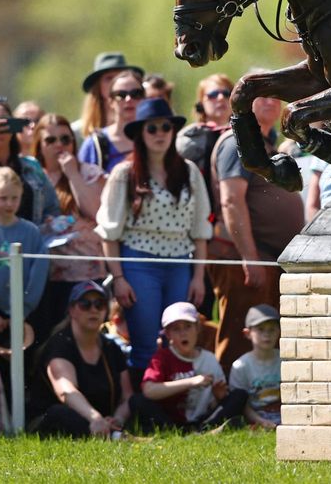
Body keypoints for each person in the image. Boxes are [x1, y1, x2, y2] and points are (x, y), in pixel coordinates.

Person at [97, 97, 211, 372]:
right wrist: (119, 279)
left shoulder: (189, 172)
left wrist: (198, 276)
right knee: (145, 341)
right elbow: (109, 233)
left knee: (179, 339)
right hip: (138, 264)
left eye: (165, 127)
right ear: (140, 134)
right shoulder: (125, 174)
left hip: (180, 264)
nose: (160, 133)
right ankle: (144, 410)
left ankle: (175, 407)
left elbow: (200, 229)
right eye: (152, 128)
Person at [210, 94, 305, 371]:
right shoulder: (237, 142)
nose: (270, 101)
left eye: (276, 96)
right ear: (242, 104)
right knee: (241, 334)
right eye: (260, 96)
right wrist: (249, 257)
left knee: (262, 336)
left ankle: (257, 402)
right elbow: (231, 200)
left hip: (266, 258)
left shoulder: (262, 144)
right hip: (248, 258)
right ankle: (229, 401)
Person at [28, 280, 134, 438]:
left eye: (100, 304)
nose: (93, 310)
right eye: (85, 304)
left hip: (100, 421)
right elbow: (66, 391)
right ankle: (114, 436)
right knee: (59, 413)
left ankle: (113, 433)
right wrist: (95, 418)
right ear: (71, 310)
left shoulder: (111, 347)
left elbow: (127, 396)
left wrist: (118, 418)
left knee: (140, 402)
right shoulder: (59, 345)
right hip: (52, 419)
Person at [32, 113, 105, 332]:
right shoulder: (32, 175)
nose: (59, 145)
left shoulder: (88, 172)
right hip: (45, 274)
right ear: (39, 145)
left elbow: (96, 212)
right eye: (50, 140)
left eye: (65, 139)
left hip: (84, 272)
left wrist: (72, 174)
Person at [129, 301, 246, 432]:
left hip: (203, 418)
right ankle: (179, 431)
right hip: (169, 419)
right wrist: (190, 382)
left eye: (188, 326)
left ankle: (205, 428)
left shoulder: (209, 359)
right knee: (137, 401)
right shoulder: (162, 357)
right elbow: (149, 391)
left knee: (239, 395)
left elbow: (216, 400)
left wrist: (219, 396)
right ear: (168, 335)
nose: (183, 333)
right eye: (176, 329)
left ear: (197, 328)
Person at [0, 168, 49, 340]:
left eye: (15, 198)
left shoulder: (31, 232)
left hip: (25, 314)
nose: (9, 204)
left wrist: (24, 310)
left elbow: (38, 273)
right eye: (3, 198)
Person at [0, 94, 59, 230]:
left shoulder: (31, 166)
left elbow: (52, 208)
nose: (0, 127)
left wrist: (49, 224)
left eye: (5, 121)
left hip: (28, 244)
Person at [79, 70, 145, 174]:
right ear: (110, 101)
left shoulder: (158, 134)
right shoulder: (94, 145)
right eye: (121, 95)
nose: (128, 99)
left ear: (144, 98)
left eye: (136, 94)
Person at [227, 304, 282, 429]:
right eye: (261, 329)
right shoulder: (240, 366)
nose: (267, 334)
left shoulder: (285, 360)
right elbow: (241, 404)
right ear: (247, 333)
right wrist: (261, 422)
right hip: (257, 418)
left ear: (279, 331)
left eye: (272, 329)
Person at [75, 52, 143, 142]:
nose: (115, 83)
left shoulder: (147, 129)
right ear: (98, 87)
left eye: (120, 77)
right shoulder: (77, 133)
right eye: (109, 78)